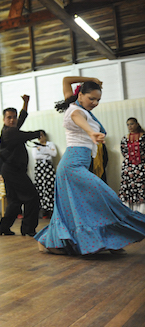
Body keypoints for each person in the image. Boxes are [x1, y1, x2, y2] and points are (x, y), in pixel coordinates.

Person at [36, 77, 145, 255]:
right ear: (80, 95)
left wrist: (90, 80)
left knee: (78, 207)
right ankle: (111, 239)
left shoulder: (77, 105)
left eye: (98, 100)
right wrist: (91, 132)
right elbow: (80, 120)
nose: (95, 103)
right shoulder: (74, 111)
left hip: (77, 166)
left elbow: (65, 80)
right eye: (91, 99)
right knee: (105, 197)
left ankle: (103, 242)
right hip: (72, 166)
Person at [0, 95, 41, 237]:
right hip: (13, 171)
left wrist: (25, 103)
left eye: (14, 117)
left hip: (9, 170)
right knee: (32, 197)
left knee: (15, 201)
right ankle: (28, 229)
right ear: (4, 119)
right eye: (9, 117)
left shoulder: (11, 129)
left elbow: (22, 118)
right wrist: (38, 133)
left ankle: (4, 228)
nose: (12, 120)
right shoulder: (9, 132)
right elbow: (25, 135)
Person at [119, 117, 145, 211]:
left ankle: (142, 211)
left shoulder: (143, 136)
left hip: (141, 167)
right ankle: (129, 210)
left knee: (141, 187)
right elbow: (123, 151)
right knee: (128, 187)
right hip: (128, 167)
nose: (130, 126)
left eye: (132, 124)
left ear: (137, 124)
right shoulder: (125, 138)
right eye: (128, 124)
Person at [32, 131, 57, 218]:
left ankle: (51, 209)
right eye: (39, 136)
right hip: (39, 168)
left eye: (42, 135)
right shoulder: (35, 145)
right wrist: (47, 153)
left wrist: (42, 150)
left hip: (48, 167)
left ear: (45, 136)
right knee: (40, 188)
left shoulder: (50, 144)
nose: (41, 137)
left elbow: (54, 154)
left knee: (50, 187)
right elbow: (35, 157)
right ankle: (43, 210)